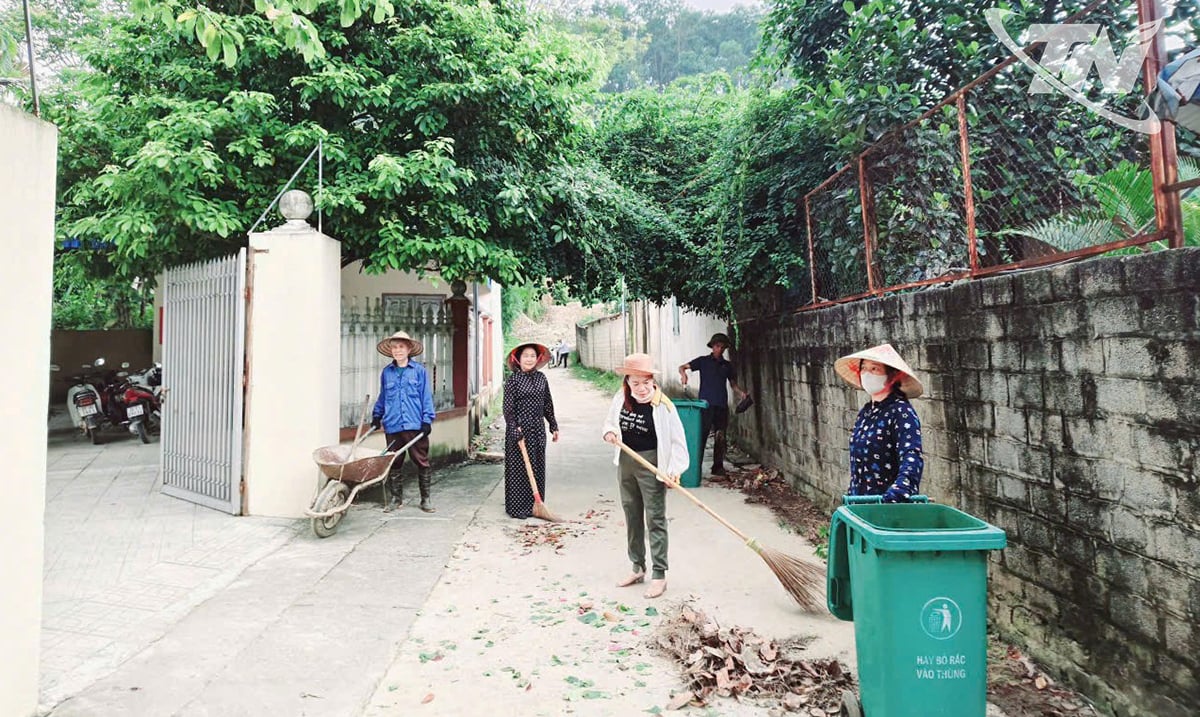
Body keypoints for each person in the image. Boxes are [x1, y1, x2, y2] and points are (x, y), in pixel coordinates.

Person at [602, 353, 689, 599]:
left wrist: (673, 471)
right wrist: (609, 433)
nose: (641, 388)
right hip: (626, 461)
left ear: (653, 381)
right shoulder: (621, 398)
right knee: (632, 513)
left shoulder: (664, 406)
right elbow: (609, 423)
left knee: (655, 518)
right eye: (635, 383)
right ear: (627, 382)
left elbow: (678, 442)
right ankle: (637, 567)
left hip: (652, 463)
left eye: (646, 382)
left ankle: (659, 575)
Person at [834, 343, 925, 502]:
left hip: (887, 511)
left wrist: (892, 497)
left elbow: (912, 458)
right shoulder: (866, 413)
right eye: (863, 368)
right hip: (859, 505)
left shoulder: (901, 412)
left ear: (892, 376)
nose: (867, 374)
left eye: (874, 369)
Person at [371, 331, 437, 513]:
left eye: (401, 347)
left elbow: (426, 397)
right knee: (394, 462)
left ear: (409, 349)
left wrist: (427, 420)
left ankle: (425, 499)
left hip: (414, 425)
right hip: (392, 424)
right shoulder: (387, 373)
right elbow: (383, 396)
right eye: (394, 347)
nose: (397, 350)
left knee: (421, 461)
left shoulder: (419, 371)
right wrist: (377, 416)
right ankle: (395, 499)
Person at [503, 343, 560, 518]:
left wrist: (553, 425)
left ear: (538, 359)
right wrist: (514, 429)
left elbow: (547, 403)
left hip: (537, 428)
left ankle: (536, 505)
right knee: (519, 468)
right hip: (519, 429)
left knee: (537, 465)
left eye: (532, 356)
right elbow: (508, 408)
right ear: (518, 360)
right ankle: (517, 508)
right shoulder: (513, 381)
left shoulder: (542, 378)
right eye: (525, 356)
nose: (529, 359)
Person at [678, 332, 747, 476]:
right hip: (705, 406)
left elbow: (733, 385)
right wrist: (683, 375)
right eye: (717, 346)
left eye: (723, 347)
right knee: (701, 436)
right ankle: (695, 466)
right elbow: (682, 367)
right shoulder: (703, 361)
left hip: (721, 405)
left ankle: (718, 466)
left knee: (720, 437)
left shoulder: (727, 366)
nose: (719, 349)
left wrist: (742, 394)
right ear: (712, 346)